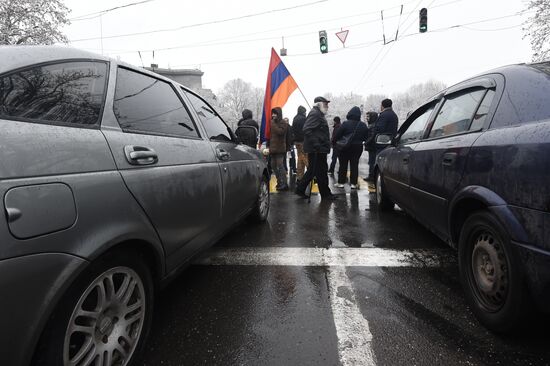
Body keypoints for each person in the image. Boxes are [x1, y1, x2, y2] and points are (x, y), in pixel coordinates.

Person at [294, 96, 335, 200]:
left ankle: (322, 192)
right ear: (319, 104)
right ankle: (325, 194)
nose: (327, 106)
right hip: (316, 149)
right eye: (325, 104)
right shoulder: (315, 113)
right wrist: (316, 143)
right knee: (318, 171)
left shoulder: (318, 113)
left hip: (318, 149)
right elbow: (307, 129)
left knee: (316, 171)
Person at [363, 98, 398, 182]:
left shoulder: (383, 115)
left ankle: (374, 177)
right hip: (391, 141)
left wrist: (371, 139)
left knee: (377, 162)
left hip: (382, 142)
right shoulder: (394, 115)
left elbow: (379, 129)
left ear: (382, 105)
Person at [333, 106, 369, 189]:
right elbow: (366, 137)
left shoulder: (345, 123)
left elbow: (337, 135)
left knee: (343, 165)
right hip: (357, 147)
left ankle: (341, 182)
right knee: (354, 165)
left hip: (345, 147)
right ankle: (353, 183)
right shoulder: (362, 125)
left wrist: (334, 143)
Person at [269, 107, 290, 191]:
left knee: (280, 166)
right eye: (272, 113)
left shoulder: (283, 123)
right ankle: (279, 182)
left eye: (275, 113)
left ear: (279, 114)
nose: (273, 115)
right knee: (273, 165)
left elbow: (280, 132)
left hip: (280, 148)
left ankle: (284, 184)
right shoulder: (272, 123)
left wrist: (273, 124)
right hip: (273, 148)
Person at [292, 105, 308, 181]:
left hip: (297, 141)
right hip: (303, 141)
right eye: (305, 112)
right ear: (303, 112)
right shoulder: (304, 119)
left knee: (300, 158)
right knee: (305, 157)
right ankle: (311, 172)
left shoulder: (295, 118)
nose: (306, 113)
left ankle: (299, 176)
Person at [364, 111, 379, 182]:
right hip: (372, 146)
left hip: (372, 146)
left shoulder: (373, 125)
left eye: (368, 116)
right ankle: (371, 175)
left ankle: (371, 176)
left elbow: (372, 136)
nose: (366, 118)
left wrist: (366, 142)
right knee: (371, 161)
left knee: (372, 161)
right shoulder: (372, 124)